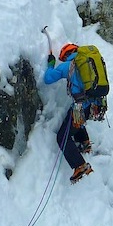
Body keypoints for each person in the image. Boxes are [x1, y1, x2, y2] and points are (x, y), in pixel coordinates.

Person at [44, 43, 96, 183]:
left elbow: (47, 79)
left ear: (66, 55)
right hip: (93, 105)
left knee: (62, 137)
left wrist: (51, 64)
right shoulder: (89, 62)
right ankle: (84, 142)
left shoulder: (68, 66)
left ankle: (79, 165)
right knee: (74, 120)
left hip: (80, 106)